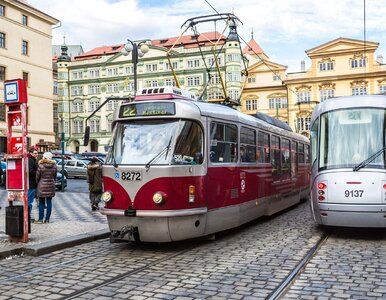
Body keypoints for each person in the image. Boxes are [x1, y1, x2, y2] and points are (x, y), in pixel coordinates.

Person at [35, 152, 57, 224]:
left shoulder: (41, 166)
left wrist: (37, 183)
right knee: (49, 202)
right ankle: (47, 219)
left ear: (44, 157)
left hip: (42, 186)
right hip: (51, 185)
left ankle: (40, 219)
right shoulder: (54, 166)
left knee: (41, 203)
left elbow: (37, 177)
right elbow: (55, 177)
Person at [28, 148, 38, 222]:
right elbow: (30, 171)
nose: (36, 154)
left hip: (31, 184)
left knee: (30, 201)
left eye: (37, 153)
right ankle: (28, 216)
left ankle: (28, 215)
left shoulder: (32, 159)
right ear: (30, 153)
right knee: (29, 201)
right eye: (35, 153)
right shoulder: (30, 160)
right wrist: (37, 172)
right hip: (31, 184)